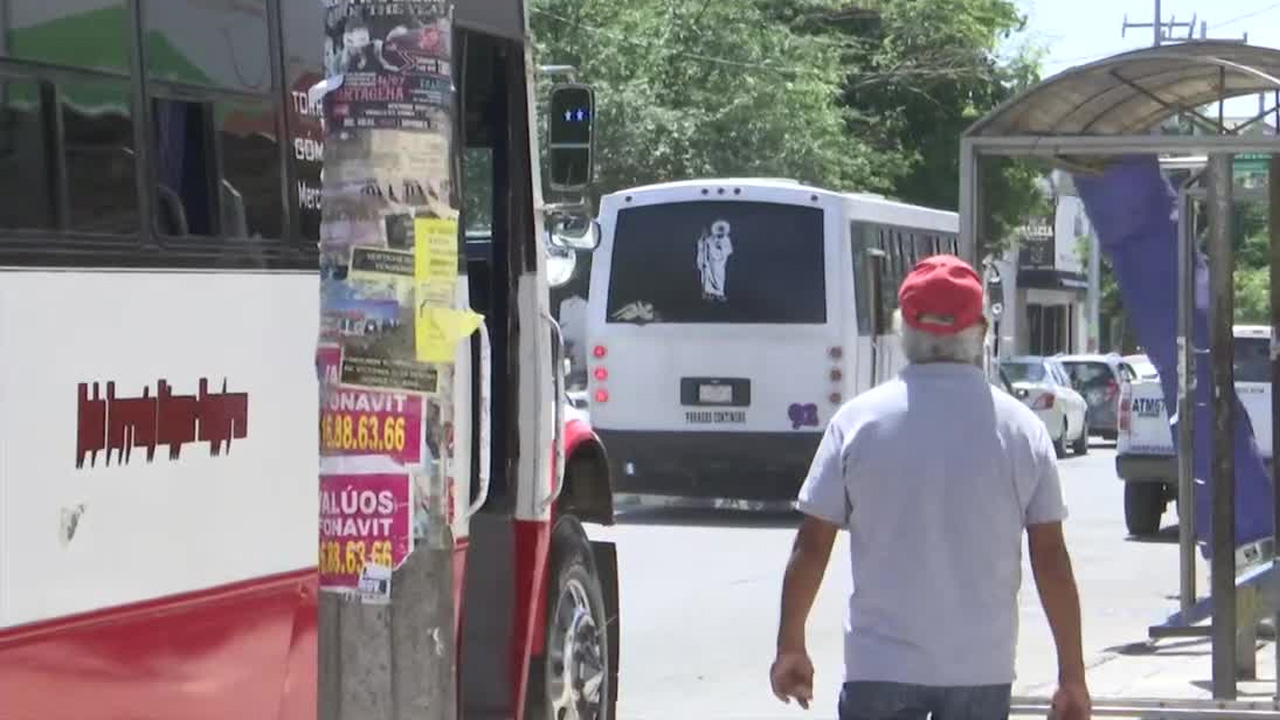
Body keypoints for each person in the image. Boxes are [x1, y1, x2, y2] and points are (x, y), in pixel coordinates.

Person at [769, 254, 1091, 720]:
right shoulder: (1022, 430)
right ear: (981, 330)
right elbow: (1051, 560)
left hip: (877, 669)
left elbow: (813, 545)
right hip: (980, 672)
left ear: (903, 328)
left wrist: (790, 645)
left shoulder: (858, 423)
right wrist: (1072, 677)